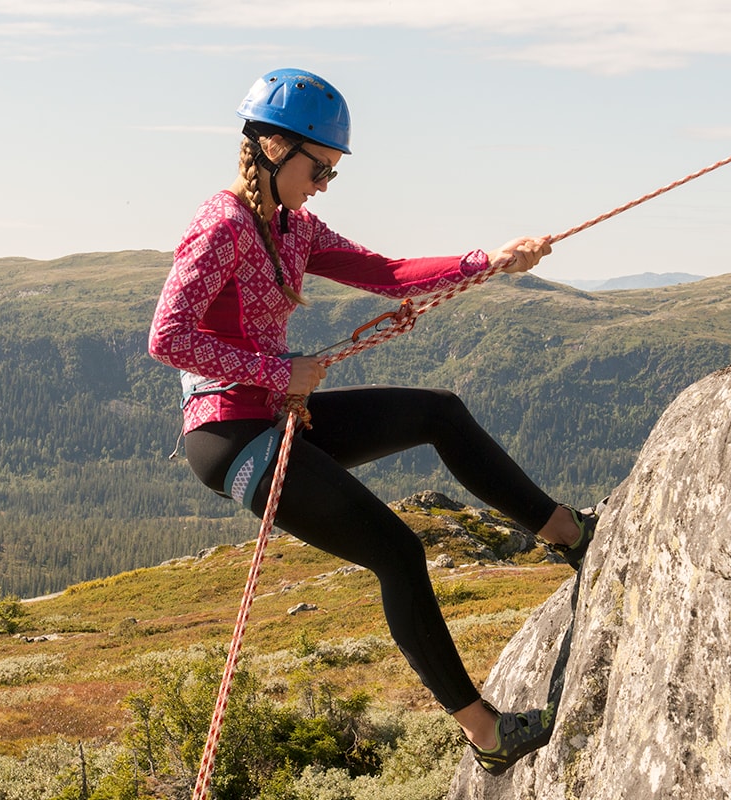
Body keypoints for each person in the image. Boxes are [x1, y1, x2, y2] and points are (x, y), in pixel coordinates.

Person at [147, 67, 597, 776]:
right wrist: (277, 373)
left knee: (438, 412)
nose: (325, 183)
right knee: (398, 552)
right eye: (320, 168)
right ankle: (486, 735)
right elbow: (166, 338)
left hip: (273, 413)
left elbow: (386, 273)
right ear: (273, 148)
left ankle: (565, 532)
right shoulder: (221, 225)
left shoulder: (292, 227)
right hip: (231, 439)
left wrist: (489, 261)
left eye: (333, 171)